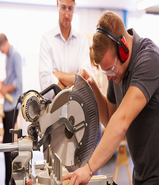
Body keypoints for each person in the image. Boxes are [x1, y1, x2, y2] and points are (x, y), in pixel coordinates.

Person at [63, 10, 159, 185]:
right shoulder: (117, 71)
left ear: (124, 49)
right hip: (142, 172)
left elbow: (121, 120)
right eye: (104, 71)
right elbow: (109, 117)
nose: (109, 78)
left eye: (111, 70)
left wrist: (89, 169)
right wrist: (90, 85)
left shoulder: (149, 59)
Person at [39, 0, 91, 100]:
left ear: (74, 8)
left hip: (76, 113)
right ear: (57, 5)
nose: (67, 15)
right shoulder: (46, 39)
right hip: (52, 112)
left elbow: (85, 79)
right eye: (63, 8)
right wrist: (73, 83)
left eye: (70, 8)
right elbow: (45, 84)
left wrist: (58, 75)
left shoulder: (82, 41)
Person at [0, 33, 22, 185]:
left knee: (8, 142)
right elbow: (11, 77)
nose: (2, 52)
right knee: (7, 141)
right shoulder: (8, 57)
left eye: (1, 49)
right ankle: (8, 178)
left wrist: (5, 88)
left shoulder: (16, 55)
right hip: (7, 105)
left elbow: (18, 82)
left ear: (5, 42)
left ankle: (11, 178)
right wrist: (4, 82)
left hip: (13, 105)